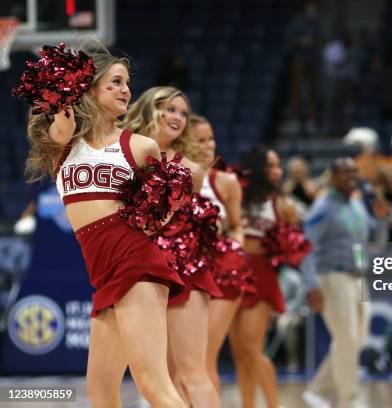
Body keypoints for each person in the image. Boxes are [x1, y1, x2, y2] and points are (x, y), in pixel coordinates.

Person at [26, 47, 186, 407]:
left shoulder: (141, 146)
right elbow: (62, 121)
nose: (126, 90)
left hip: (136, 265)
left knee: (153, 385)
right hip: (104, 275)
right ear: (88, 89)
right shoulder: (63, 144)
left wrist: (168, 202)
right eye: (115, 82)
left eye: (127, 83)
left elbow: (161, 217)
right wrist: (65, 90)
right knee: (101, 390)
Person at [123, 86, 221, 407]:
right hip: (142, 270)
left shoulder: (191, 170)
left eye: (183, 113)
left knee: (193, 371)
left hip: (184, 267)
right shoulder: (125, 155)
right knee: (159, 374)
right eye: (170, 109)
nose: (178, 117)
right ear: (151, 109)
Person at [301, 157, 388, 408]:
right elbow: (307, 248)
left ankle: (316, 390)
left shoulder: (357, 205)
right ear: (333, 177)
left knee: (355, 341)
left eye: (355, 174)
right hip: (333, 277)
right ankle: (350, 401)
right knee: (347, 339)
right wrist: (312, 284)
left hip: (358, 278)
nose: (352, 178)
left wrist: (381, 221)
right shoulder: (323, 207)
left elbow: (376, 244)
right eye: (346, 174)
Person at [229, 145, 298, 408]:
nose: (277, 171)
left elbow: (289, 248)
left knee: (251, 348)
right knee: (239, 354)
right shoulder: (234, 194)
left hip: (260, 275)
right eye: (271, 166)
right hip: (231, 272)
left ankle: (273, 405)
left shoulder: (283, 205)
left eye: (279, 166)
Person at [189, 114, 247, 394]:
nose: (208, 145)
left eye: (211, 138)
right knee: (182, 360)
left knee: (203, 356)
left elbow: (236, 227)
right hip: (185, 272)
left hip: (222, 272)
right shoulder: (174, 176)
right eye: (200, 140)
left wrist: (232, 250)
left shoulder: (225, 182)